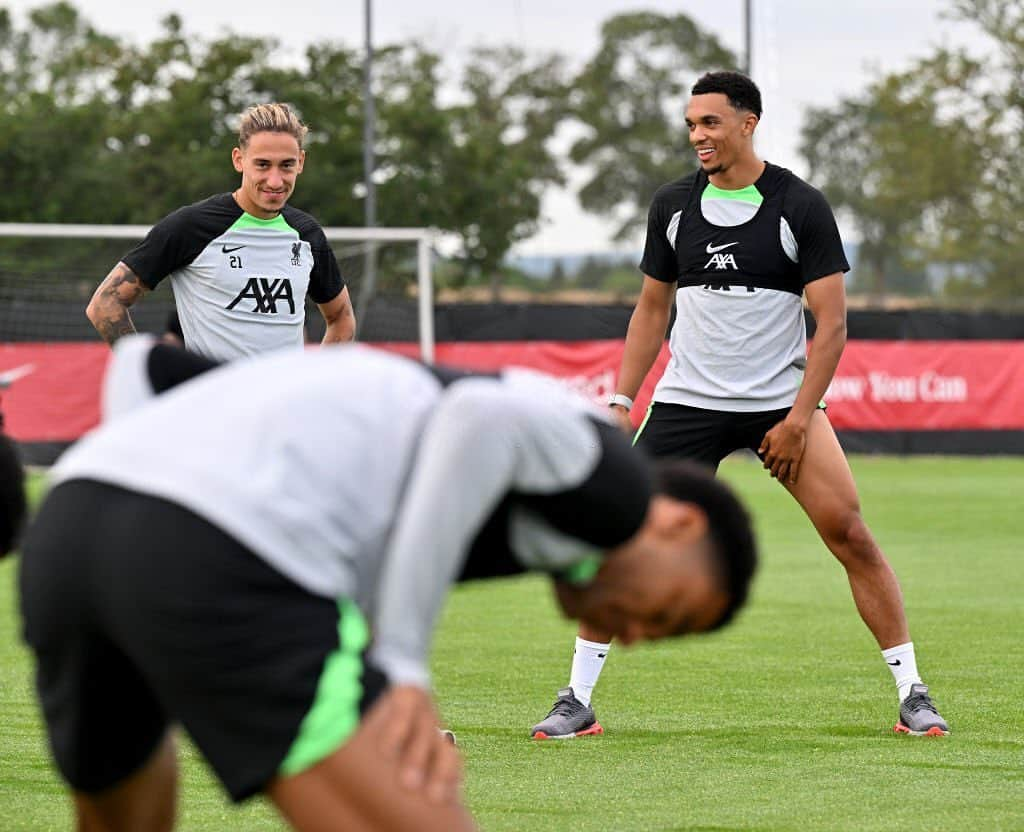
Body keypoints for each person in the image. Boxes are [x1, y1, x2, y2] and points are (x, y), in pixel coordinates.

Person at [17, 336, 758, 831]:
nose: (634, 635)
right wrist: (401, 666)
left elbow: (144, 365)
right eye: (673, 615)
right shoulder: (620, 482)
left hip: (74, 525)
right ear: (679, 527)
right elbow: (477, 419)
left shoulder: (506, 507)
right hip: (220, 545)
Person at [532, 70, 949, 741]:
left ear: (748, 122)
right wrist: (620, 400)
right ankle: (576, 700)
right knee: (621, 543)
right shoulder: (672, 205)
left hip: (782, 405)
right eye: (691, 124)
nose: (697, 135)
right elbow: (651, 307)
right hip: (688, 404)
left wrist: (795, 420)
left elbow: (832, 325)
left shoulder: (799, 206)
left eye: (710, 123)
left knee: (851, 535)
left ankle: (914, 693)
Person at [85, 102, 356, 359]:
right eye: (262, 164)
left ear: (300, 162)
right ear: (239, 160)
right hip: (212, 407)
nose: (275, 180)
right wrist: (152, 374)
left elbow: (341, 319)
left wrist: (313, 385)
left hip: (283, 409)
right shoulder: (191, 226)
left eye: (286, 165)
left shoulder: (307, 234)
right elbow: (105, 305)